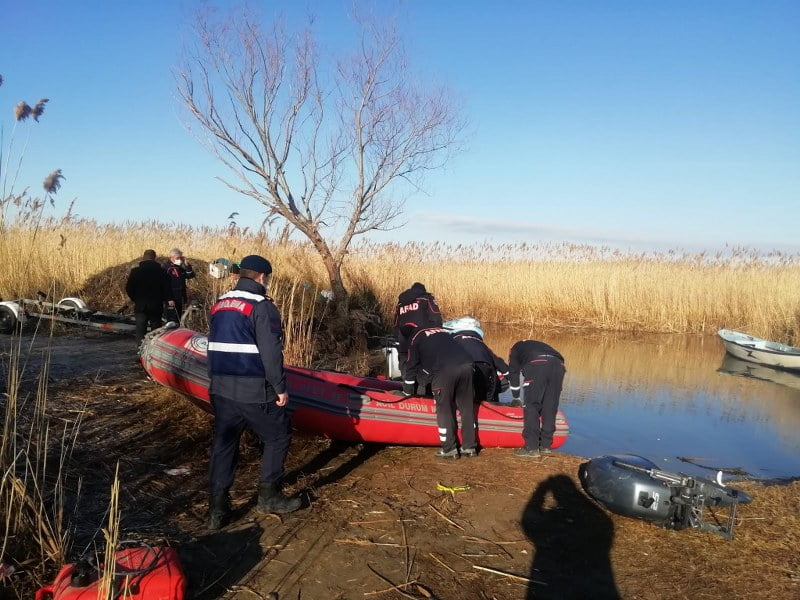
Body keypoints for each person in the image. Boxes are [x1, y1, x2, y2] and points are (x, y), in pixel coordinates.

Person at [206, 254, 302, 529]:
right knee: (278, 435)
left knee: (224, 444)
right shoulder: (262, 307)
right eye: (268, 278)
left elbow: (215, 344)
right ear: (262, 277)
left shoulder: (220, 303)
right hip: (253, 389)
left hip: (221, 387)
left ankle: (217, 510)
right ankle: (269, 496)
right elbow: (272, 354)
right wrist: (280, 388)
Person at [402, 326, 477, 459]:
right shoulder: (441, 330)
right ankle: (470, 447)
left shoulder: (414, 338)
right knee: (466, 407)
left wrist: (408, 393)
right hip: (468, 364)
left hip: (444, 369)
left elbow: (411, 367)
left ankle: (449, 449)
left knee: (444, 408)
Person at [507, 339, 565, 458]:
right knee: (550, 406)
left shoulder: (515, 350)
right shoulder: (534, 345)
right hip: (559, 364)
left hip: (538, 363)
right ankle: (545, 446)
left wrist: (516, 397)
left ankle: (531, 447)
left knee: (531, 405)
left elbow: (513, 374)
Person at [445, 316, 510, 404]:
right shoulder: (481, 344)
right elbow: (499, 362)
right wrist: (511, 378)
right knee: (484, 393)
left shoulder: (453, 340)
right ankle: (488, 405)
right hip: (485, 370)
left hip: (465, 369)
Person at [393, 282, 443, 380]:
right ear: (423, 290)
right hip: (420, 336)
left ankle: (406, 386)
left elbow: (396, 323)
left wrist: (397, 338)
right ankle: (422, 388)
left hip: (403, 337)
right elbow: (436, 317)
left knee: (405, 361)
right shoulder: (426, 298)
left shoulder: (400, 302)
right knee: (423, 362)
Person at [125, 249, 169, 344]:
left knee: (140, 330)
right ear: (154, 258)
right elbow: (166, 289)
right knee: (156, 330)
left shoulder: (135, 271)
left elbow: (129, 288)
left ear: (143, 258)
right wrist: (163, 300)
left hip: (141, 305)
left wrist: (135, 299)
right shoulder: (162, 272)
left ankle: (140, 352)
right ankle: (154, 350)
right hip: (156, 305)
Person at [162, 247, 195, 322]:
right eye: (178, 258)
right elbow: (164, 285)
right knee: (172, 321)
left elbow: (190, 276)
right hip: (171, 298)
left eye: (180, 258)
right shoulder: (166, 268)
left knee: (178, 319)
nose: (179, 260)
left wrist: (187, 265)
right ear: (171, 258)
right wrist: (169, 298)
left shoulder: (179, 268)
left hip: (180, 297)